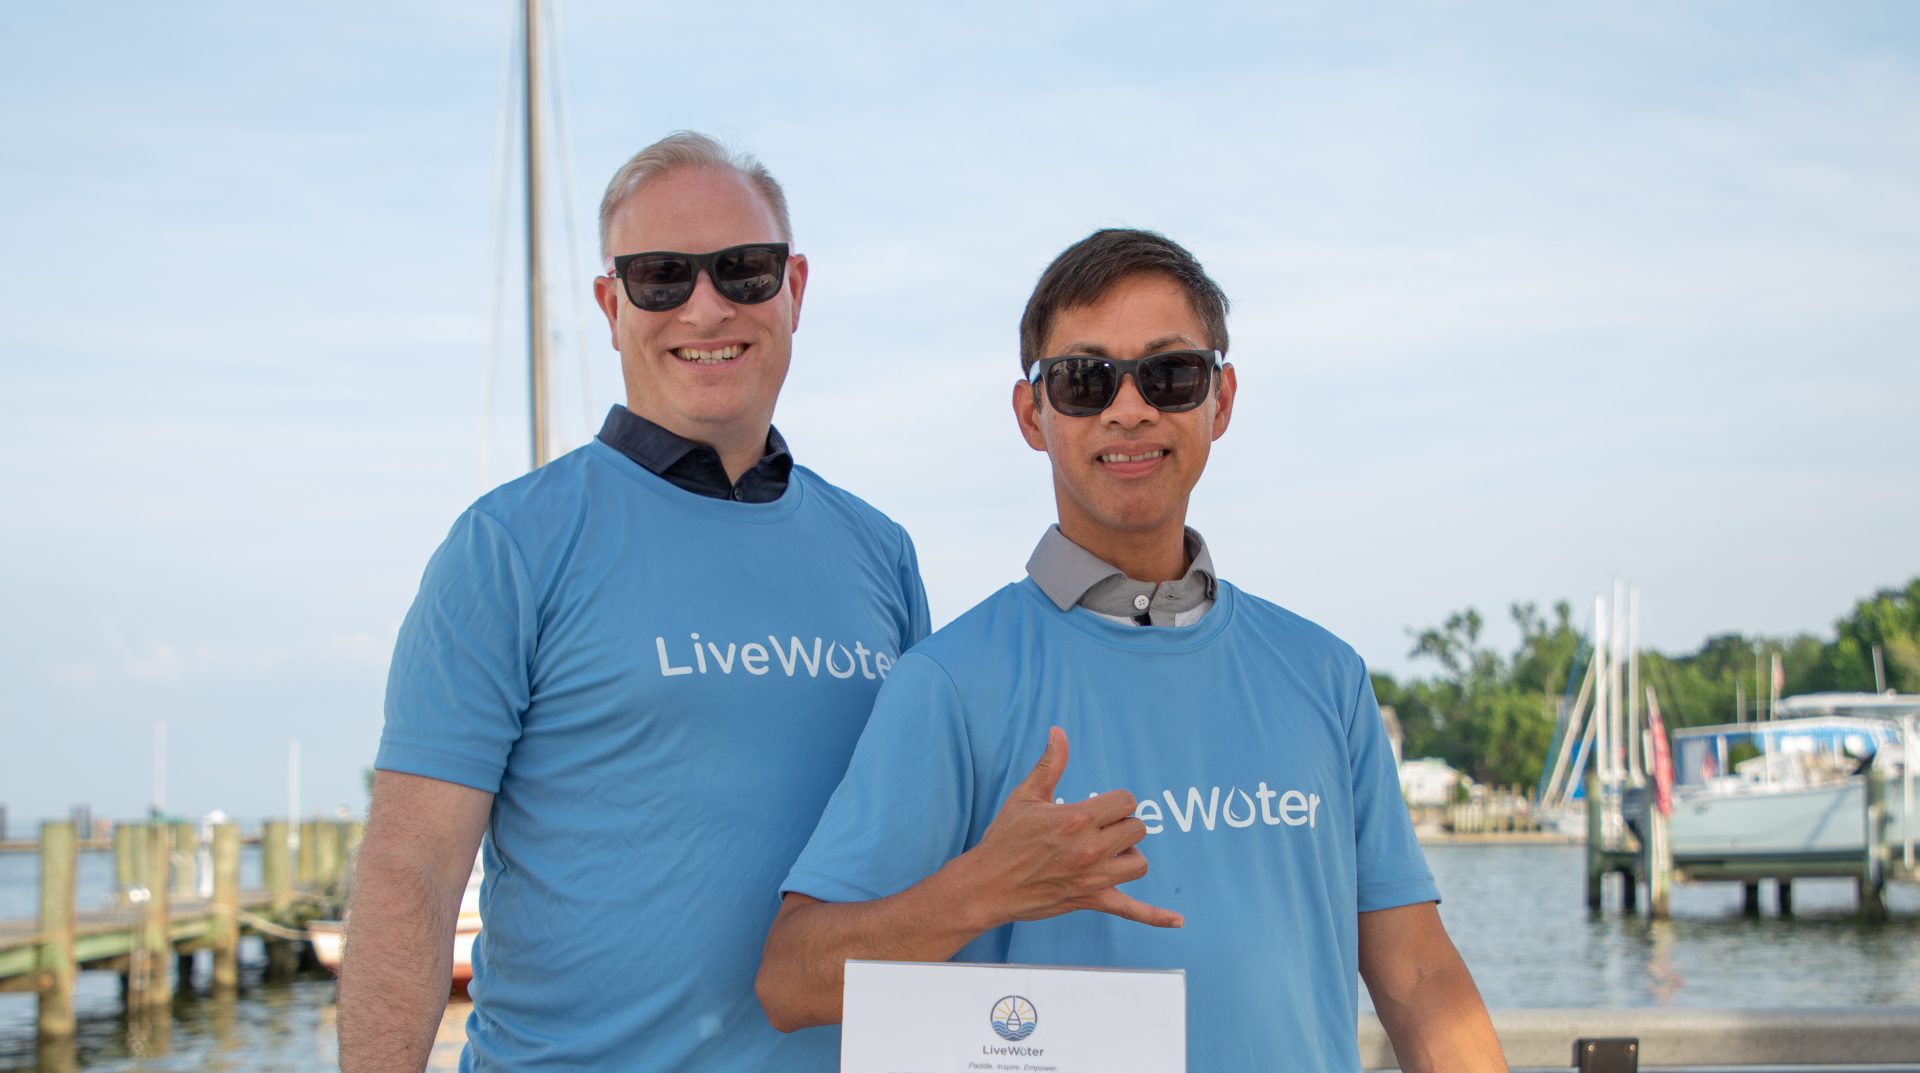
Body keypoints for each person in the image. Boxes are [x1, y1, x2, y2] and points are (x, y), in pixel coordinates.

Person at [757, 229, 1505, 1072]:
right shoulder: (949, 682)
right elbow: (792, 980)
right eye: (1083, 379)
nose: (1129, 407)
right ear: (1031, 414)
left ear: (1219, 401)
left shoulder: (1326, 676)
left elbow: (1419, 975)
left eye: (1169, 373)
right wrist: (984, 887)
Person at [339, 131, 929, 1073]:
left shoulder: (881, 553)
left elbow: (916, 859)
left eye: (743, 270)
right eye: (662, 276)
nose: (706, 306)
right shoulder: (508, 547)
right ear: (612, 305)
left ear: (795, 289)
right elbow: (413, 869)